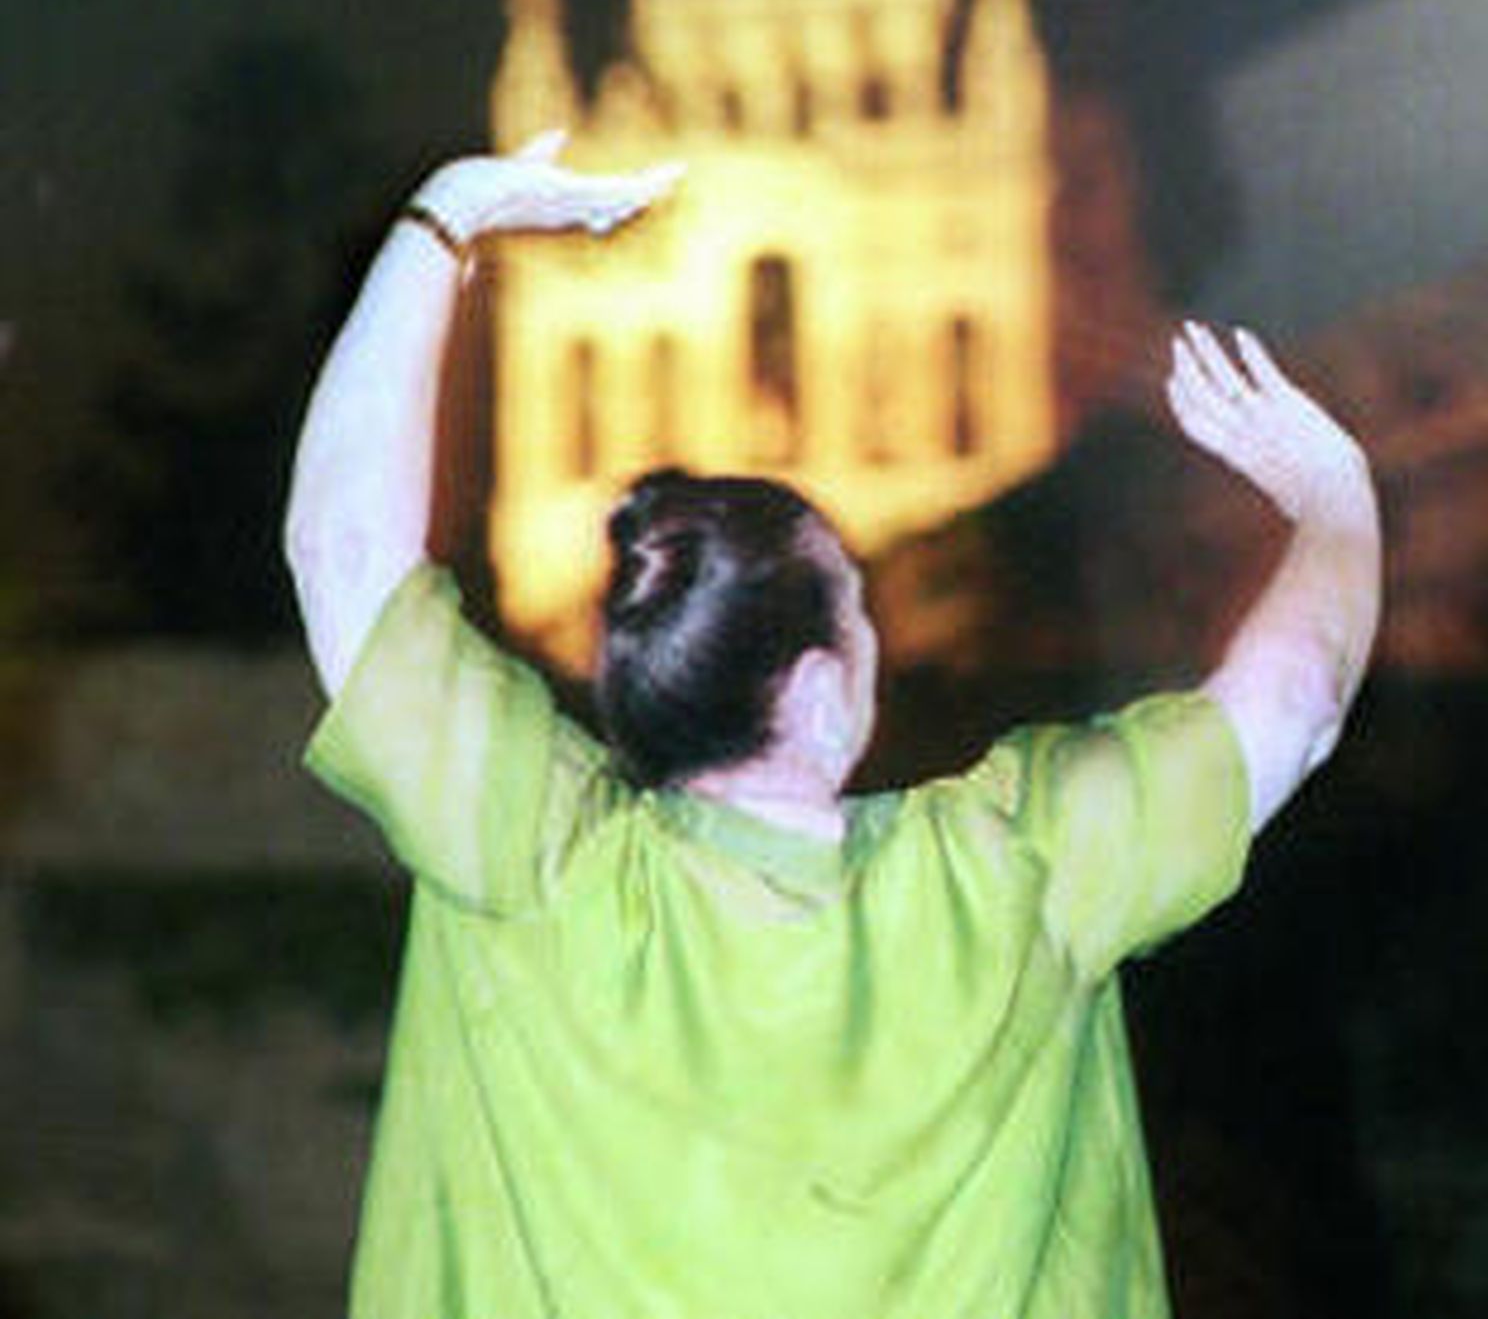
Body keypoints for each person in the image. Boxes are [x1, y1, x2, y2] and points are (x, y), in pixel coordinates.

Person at [288, 134, 1381, 1319]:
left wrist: (446, 219)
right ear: (815, 691)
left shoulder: (526, 860)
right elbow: (1297, 697)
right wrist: (1336, 501)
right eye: (858, 606)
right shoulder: (1017, 876)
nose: (877, 634)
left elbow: (344, 550)